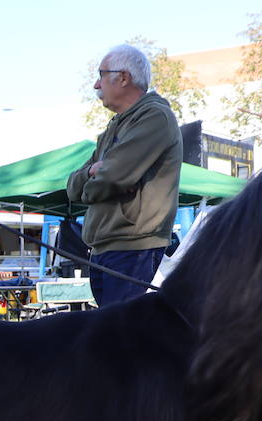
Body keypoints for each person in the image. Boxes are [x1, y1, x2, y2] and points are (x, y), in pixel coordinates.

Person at [66, 44, 182, 307]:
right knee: (114, 335)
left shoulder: (154, 116)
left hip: (133, 246)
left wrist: (93, 179)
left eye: (101, 75)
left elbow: (112, 177)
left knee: (122, 339)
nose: (96, 84)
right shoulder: (117, 125)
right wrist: (92, 174)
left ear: (124, 77)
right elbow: (72, 185)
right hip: (107, 247)